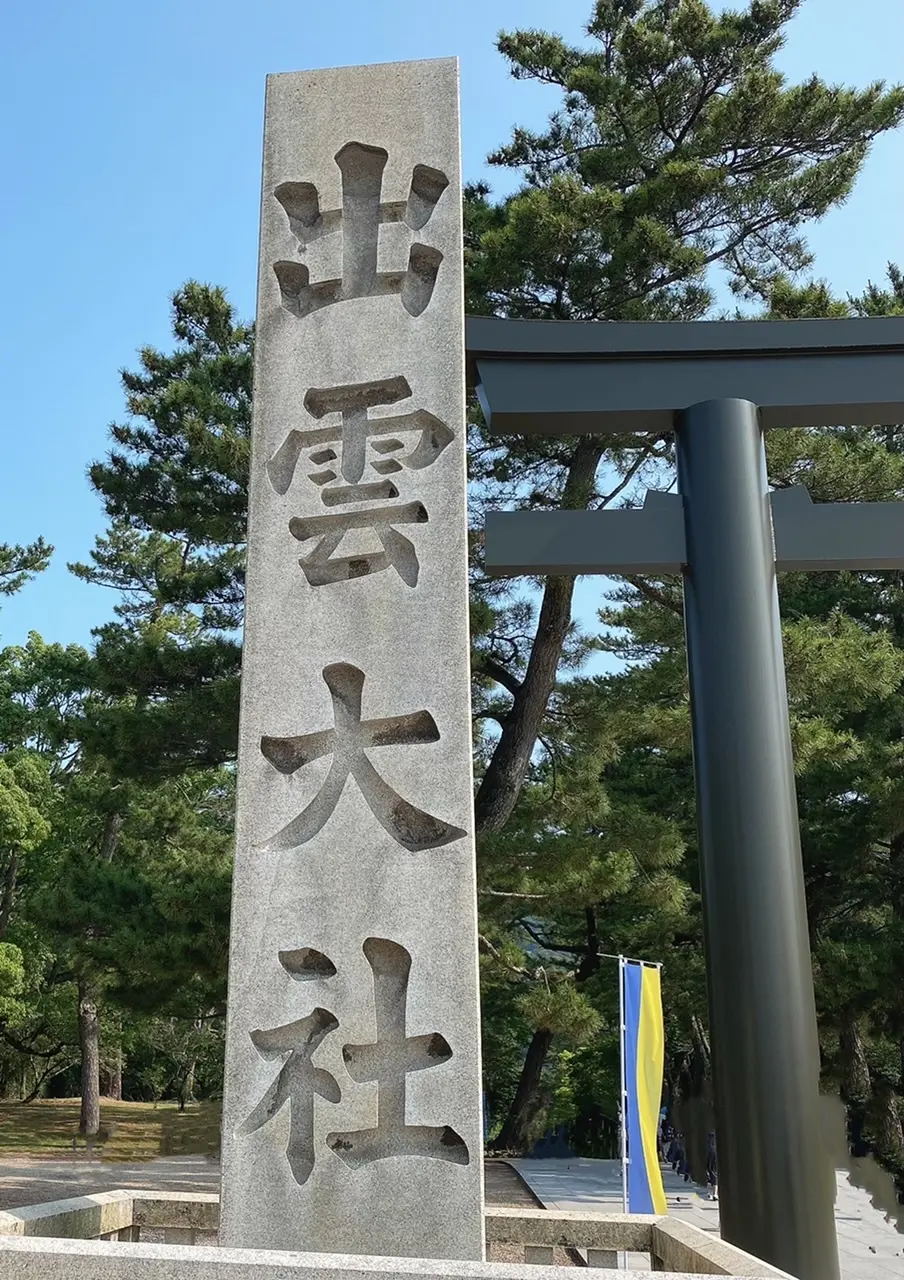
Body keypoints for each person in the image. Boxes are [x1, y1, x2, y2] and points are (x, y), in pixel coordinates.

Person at [706, 1130, 718, 1201]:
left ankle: (711, 1193)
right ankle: (714, 1194)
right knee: (713, 1172)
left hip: (710, 1151)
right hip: (713, 1151)